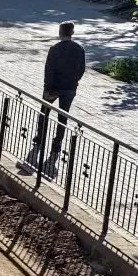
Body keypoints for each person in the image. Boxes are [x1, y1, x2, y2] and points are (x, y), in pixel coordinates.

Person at [25, 22, 87, 172]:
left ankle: (40, 138)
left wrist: (47, 87)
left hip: (53, 87)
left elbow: (49, 69)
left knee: (44, 113)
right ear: (72, 32)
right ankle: (57, 144)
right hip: (70, 88)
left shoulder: (54, 49)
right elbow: (82, 69)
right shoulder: (79, 49)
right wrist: (74, 81)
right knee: (63, 117)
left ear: (60, 32)